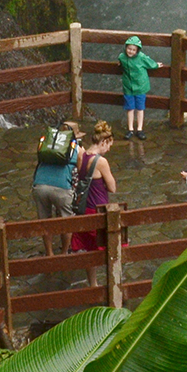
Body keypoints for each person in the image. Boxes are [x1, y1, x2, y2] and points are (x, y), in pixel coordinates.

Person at [69, 120, 118, 285]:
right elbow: (112, 187)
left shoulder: (81, 155)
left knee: (89, 249)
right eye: (109, 145)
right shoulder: (101, 162)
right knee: (108, 247)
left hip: (84, 208)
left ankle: (93, 283)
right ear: (103, 142)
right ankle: (113, 283)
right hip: (98, 208)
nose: (109, 149)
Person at [32, 125, 80, 255]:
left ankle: (49, 253)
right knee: (66, 223)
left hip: (40, 185)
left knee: (45, 221)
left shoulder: (48, 144)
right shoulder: (76, 148)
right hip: (62, 188)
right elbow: (80, 169)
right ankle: (64, 253)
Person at [119, 36, 160, 140]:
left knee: (140, 108)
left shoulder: (141, 57)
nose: (131, 51)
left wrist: (156, 65)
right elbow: (120, 62)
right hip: (128, 86)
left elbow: (150, 63)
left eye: (133, 50)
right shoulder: (122, 57)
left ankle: (140, 129)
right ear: (126, 48)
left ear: (137, 50)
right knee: (130, 108)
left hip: (140, 86)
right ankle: (130, 129)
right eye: (129, 49)